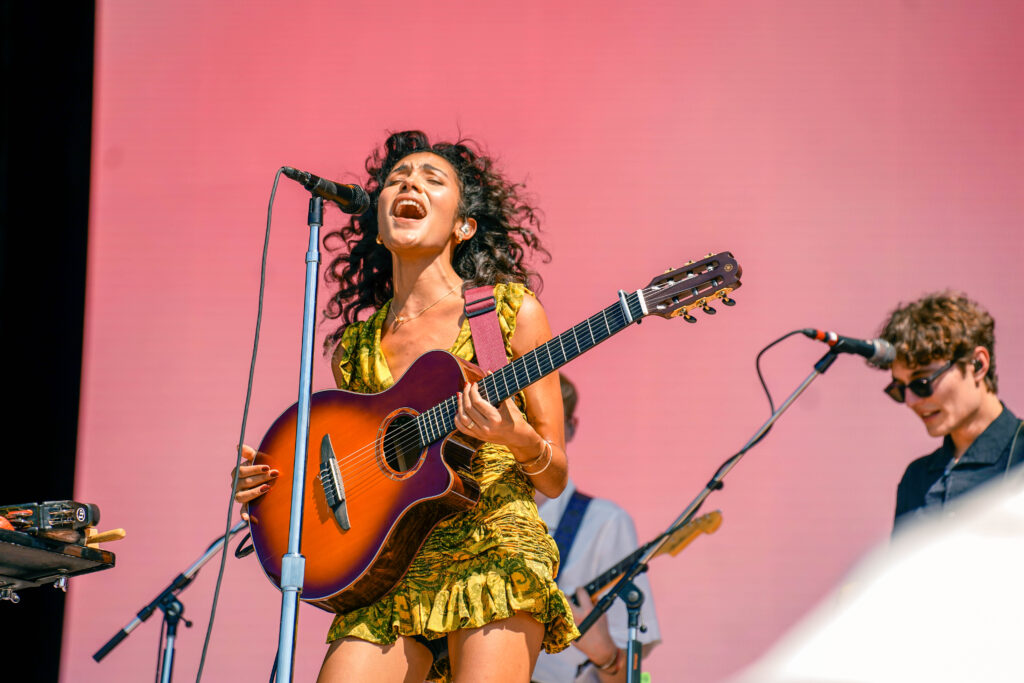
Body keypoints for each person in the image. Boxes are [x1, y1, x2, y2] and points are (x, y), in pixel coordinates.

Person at [233, 130, 578, 682]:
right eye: (397, 180)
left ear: (464, 226)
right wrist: (275, 490)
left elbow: (555, 476)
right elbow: (358, 459)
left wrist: (518, 439)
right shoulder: (359, 348)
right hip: (388, 569)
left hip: (491, 550)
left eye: (431, 179)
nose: (409, 183)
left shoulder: (506, 312)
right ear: (378, 217)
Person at [531, 374, 661, 683]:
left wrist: (605, 654)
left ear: (571, 428)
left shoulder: (605, 524)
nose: (531, 440)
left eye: (545, 427)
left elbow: (629, 676)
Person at [877, 291, 1023, 530]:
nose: (910, 401)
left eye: (921, 383)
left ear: (978, 365)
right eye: (899, 389)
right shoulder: (916, 478)